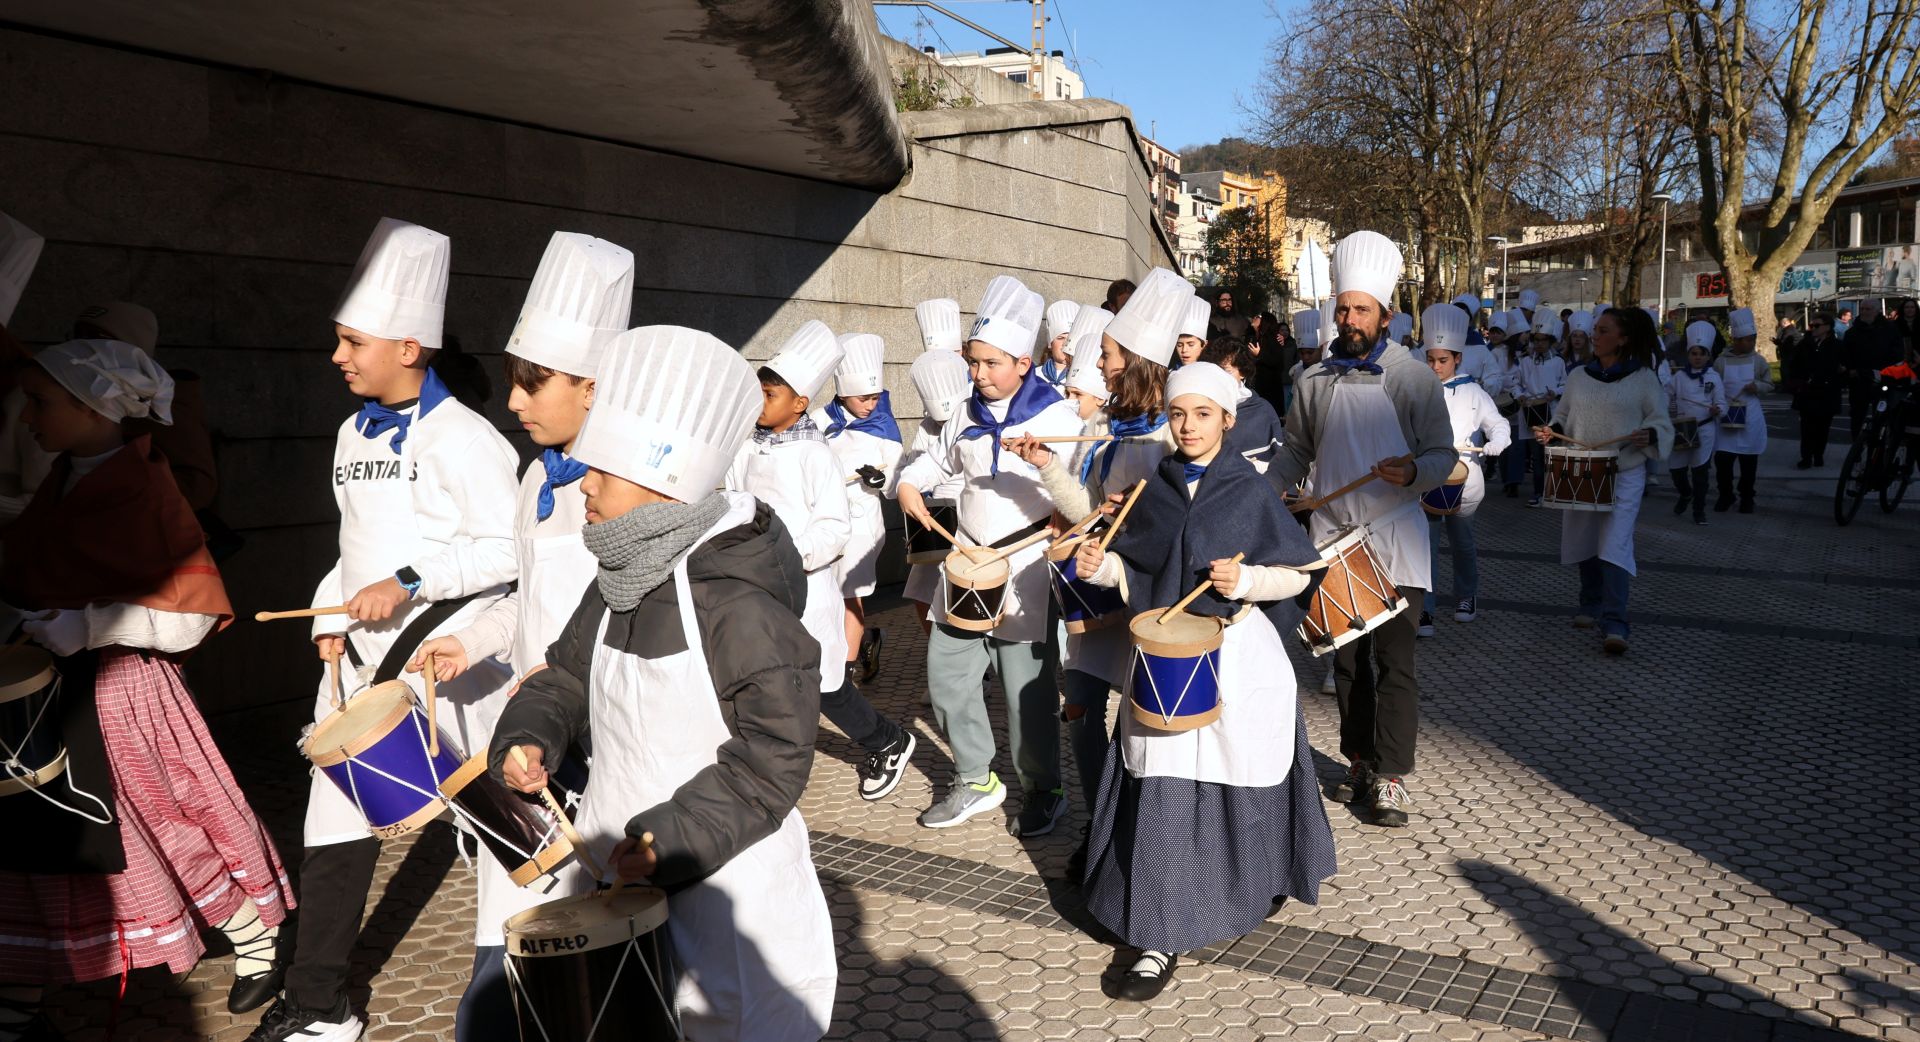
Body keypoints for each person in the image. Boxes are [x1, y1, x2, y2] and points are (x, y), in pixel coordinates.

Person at [490, 326, 837, 1042]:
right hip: (622, 880)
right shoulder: (620, 576)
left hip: (725, 889)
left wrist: (667, 839)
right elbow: (564, 675)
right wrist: (529, 734)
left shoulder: (737, 603)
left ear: (661, 485)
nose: (584, 484)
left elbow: (773, 760)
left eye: (602, 473)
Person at [249, 218, 521, 1042]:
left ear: (409, 346)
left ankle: (529, 975)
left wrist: (411, 583)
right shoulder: (348, 430)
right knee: (332, 823)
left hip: (454, 661)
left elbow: (508, 550)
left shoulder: (467, 438)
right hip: (367, 668)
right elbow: (351, 547)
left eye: (351, 341)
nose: (337, 356)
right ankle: (321, 1003)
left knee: (500, 824)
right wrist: (331, 612)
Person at [0, 340, 295, 1038]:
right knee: (38, 836)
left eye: (40, 402)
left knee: (163, 829)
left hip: (123, 693)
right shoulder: (68, 475)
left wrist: (89, 624)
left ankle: (256, 939)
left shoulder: (144, 488)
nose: (27, 416)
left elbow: (189, 617)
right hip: (54, 689)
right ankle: (15, 999)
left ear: (89, 405)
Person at [395, 230, 631, 1042]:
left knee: (586, 941)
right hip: (532, 737)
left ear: (595, 387)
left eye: (535, 385)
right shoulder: (537, 473)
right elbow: (531, 597)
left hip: (595, 743)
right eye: (513, 384)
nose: (517, 403)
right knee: (511, 929)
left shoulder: (622, 489)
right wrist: (478, 639)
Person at [1067, 361, 1336, 1000]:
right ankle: (1156, 939)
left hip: (1240, 655)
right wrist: (1101, 568)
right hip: (1165, 662)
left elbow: (1299, 574)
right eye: (1179, 413)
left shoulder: (1250, 488)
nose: (1188, 426)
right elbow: (1137, 575)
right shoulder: (1151, 488)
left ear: (1228, 421)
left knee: (1236, 773)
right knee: (1160, 783)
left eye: (1203, 414)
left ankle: (1246, 889)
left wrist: (1247, 582)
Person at [1265, 231, 1455, 829]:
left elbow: (1443, 455)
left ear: (1387, 315)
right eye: (1342, 308)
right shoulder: (1314, 379)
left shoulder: (1412, 378)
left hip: (1396, 536)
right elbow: (1297, 449)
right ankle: (1357, 761)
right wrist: (1266, 494)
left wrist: (1413, 470)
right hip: (1332, 535)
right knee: (1346, 663)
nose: (1349, 319)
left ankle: (1392, 776)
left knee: (1396, 663)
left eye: (1361, 309)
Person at [896, 275, 1079, 834]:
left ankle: (1045, 790)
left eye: (989, 364)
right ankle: (976, 778)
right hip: (967, 565)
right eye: (972, 362)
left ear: (1023, 362)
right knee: (947, 679)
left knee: (1028, 697)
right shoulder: (964, 413)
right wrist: (909, 482)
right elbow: (939, 462)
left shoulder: (1059, 419)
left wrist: (1047, 463)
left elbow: (1076, 501)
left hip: (1025, 571)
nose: (976, 375)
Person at [1008, 277, 1173, 870]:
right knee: (1077, 703)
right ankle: (1102, 824)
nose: (1099, 366)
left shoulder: (1169, 433)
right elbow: (1087, 509)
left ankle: (1132, 837)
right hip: (1099, 589)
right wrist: (1050, 464)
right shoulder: (1108, 431)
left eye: (1106, 356)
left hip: (1149, 599)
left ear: (1135, 364)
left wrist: (1137, 511)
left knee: (1143, 724)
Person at [728, 322, 913, 803]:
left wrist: (787, 556)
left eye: (769, 395)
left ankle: (887, 739)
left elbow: (833, 528)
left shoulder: (816, 454)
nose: (759, 403)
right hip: (754, 583)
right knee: (761, 674)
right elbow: (731, 501)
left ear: (799, 404)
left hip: (805, 587)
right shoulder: (746, 447)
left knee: (826, 682)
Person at [1530, 307, 1673, 655]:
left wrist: (1649, 435)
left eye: (1603, 330)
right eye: (1595, 329)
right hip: (1581, 467)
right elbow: (1563, 416)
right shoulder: (1579, 375)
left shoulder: (1643, 378)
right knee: (1584, 539)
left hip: (1623, 472)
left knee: (1615, 543)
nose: (1595, 335)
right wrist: (1553, 431)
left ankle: (1615, 621)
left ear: (1623, 339)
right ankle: (1589, 604)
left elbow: (1662, 423)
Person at [1415, 304, 1509, 634]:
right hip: (1426, 477)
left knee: (1462, 542)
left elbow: (1499, 424)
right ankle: (1424, 609)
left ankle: (1466, 596)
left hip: (1463, 480)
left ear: (1458, 359)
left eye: (1443, 361)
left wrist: (1498, 441)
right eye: (1431, 360)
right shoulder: (1418, 390)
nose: (1436, 367)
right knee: (1424, 545)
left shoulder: (1474, 392)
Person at [820, 333, 903, 687]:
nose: (870, 405)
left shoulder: (884, 427)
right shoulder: (817, 421)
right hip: (823, 521)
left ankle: (844, 674)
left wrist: (879, 481)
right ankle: (865, 642)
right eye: (862, 398)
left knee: (851, 594)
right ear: (841, 393)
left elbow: (898, 479)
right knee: (826, 598)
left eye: (874, 397)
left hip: (862, 526)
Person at [902, 300, 971, 631]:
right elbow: (919, 461)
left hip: (972, 512)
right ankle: (939, 650)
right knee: (923, 591)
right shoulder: (928, 425)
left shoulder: (979, 407)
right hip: (936, 515)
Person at [1712, 307, 1772, 514]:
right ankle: (1725, 494)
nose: (1748, 343)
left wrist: (1758, 386)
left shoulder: (1759, 361)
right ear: (1735, 340)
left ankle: (1747, 497)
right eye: (1744, 340)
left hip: (1750, 417)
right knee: (1723, 461)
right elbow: (1712, 384)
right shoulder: (1721, 361)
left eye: (1751, 340)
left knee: (1748, 462)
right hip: (1727, 414)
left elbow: (1769, 383)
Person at [1668, 323, 1726, 525]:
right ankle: (1685, 494)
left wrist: (1718, 409)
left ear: (1708, 356)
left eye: (1702, 354)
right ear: (1688, 355)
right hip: (1683, 428)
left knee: (1700, 472)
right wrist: (1670, 409)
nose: (1698, 357)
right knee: (1676, 470)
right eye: (1694, 353)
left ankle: (1699, 511)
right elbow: (1667, 398)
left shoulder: (1714, 377)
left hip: (1704, 428)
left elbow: (1721, 403)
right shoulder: (1678, 377)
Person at [1198, 335, 1283, 470]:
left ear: (1242, 372)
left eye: (1227, 371)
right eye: (1215, 372)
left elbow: (1279, 463)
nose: (1220, 378)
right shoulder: (1201, 409)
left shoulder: (1262, 410)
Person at [1509, 319, 1568, 504]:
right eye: (1537, 340)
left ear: (1551, 341)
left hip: (1551, 411)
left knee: (1552, 453)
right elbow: (1515, 384)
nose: (1540, 343)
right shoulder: (1525, 362)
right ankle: (1538, 492)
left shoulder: (1558, 362)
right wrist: (1520, 395)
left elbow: (1565, 385)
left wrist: (1555, 392)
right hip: (1531, 411)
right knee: (1536, 455)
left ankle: (1555, 491)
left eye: (1544, 340)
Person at [1786, 311, 1844, 468]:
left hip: (1827, 391)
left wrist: (1840, 373)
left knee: (1823, 427)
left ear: (1828, 327)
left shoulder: (1837, 346)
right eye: (1811, 325)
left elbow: (1842, 366)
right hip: (1807, 391)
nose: (1813, 328)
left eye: (1817, 325)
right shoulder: (1805, 344)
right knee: (1806, 427)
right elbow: (1794, 364)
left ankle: (1818, 454)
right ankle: (1806, 457)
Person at [1843, 299, 1903, 438]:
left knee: (1880, 414)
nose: (1864, 312)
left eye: (1868, 309)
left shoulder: (1890, 329)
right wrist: (1850, 370)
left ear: (1877, 311)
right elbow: (1846, 354)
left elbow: (1897, 353)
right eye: (1862, 309)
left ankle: (1875, 450)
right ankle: (1856, 449)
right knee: (1857, 415)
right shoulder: (1852, 331)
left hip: (1882, 379)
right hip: (1859, 379)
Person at [1036, 300, 1080, 392]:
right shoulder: (1034, 376)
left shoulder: (1082, 377)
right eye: (1060, 338)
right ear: (1050, 343)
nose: (1066, 343)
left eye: (1070, 338)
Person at [1174, 296, 1210, 368]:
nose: (1184, 350)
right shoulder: (1170, 374)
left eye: (1191, 344)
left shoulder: (1213, 373)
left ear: (1204, 345)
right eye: (1179, 345)